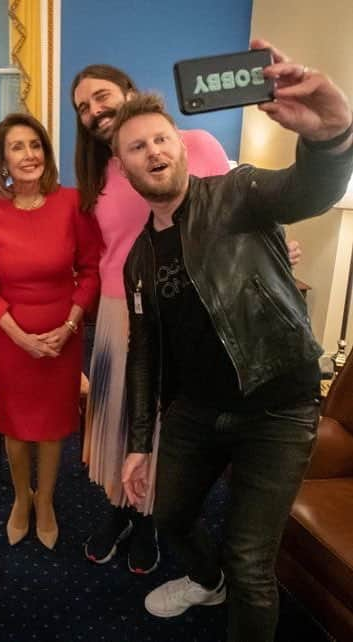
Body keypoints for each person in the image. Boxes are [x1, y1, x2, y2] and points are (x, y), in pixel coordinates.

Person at [116, 41, 353, 642]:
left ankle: (230, 584)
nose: (153, 151)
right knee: (168, 515)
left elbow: (307, 191)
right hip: (197, 411)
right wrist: (139, 443)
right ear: (124, 168)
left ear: (180, 144)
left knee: (251, 562)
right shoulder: (138, 260)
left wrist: (330, 138)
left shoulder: (235, 194)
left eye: (160, 138)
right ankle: (204, 579)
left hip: (277, 408)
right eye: (137, 147)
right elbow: (144, 353)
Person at [71, 63, 302, 574]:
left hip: (179, 307)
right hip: (115, 310)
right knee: (118, 424)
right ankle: (119, 509)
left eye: (102, 96)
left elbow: (237, 212)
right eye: (83, 108)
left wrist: (280, 248)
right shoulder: (100, 172)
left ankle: (150, 518)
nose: (94, 111)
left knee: (162, 421)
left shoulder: (193, 142)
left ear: (130, 93)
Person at [0, 113, 101, 550]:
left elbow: (90, 271)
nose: (29, 155)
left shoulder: (72, 202)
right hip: (11, 339)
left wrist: (69, 326)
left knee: (53, 425)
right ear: (2, 159)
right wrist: (18, 335)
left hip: (63, 336)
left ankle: (44, 500)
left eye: (35, 145)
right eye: (17, 147)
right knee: (14, 425)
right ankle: (19, 500)